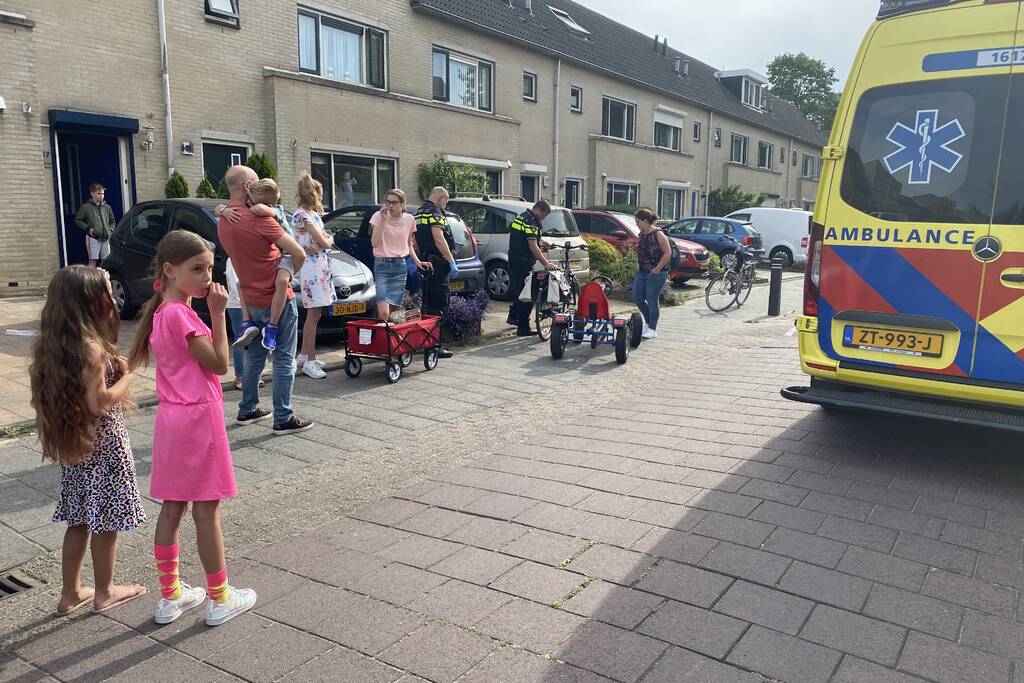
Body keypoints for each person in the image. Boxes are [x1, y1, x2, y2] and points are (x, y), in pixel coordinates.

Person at [127, 230, 257, 626]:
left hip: (171, 418)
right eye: (197, 269)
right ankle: (220, 598)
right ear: (170, 270)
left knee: (172, 507)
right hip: (199, 416)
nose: (206, 277)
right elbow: (219, 364)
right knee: (206, 511)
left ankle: (171, 595)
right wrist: (219, 313)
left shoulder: (161, 312)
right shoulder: (183, 314)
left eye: (210, 269)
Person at [28, 266, 147, 616]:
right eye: (105, 293)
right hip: (104, 445)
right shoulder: (92, 348)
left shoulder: (56, 344)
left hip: (78, 444)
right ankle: (105, 591)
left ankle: (70, 593)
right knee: (107, 520)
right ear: (92, 301)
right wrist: (126, 374)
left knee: (79, 518)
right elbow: (100, 403)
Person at [217, 164, 311, 434]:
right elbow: (299, 253)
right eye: (256, 184)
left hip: (251, 298)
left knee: (255, 354)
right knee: (283, 356)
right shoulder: (260, 219)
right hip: (277, 297)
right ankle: (283, 417)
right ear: (247, 187)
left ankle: (247, 409)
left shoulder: (225, 220)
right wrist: (286, 272)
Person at [219, 179, 295, 352]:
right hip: (281, 253)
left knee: (281, 282)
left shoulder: (271, 210)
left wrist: (254, 205)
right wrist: (223, 210)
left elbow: (259, 209)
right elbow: (219, 208)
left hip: (287, 253)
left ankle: (272, 326)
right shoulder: (248, 207)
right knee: (240, 285)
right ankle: (247, 323)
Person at [292, 173, 337, 379]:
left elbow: (328, 238)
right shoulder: (302, 215)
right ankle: (309, 360)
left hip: (320, 266)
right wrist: (322, 242)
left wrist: (320, 243)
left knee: (316, 313)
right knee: (313, 314)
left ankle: (304, 355)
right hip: (311, 270)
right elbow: (326, 240)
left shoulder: (314, 215)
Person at [414, 186, 458, 358]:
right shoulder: (435, 213)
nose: (445, 204)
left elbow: (415, 240)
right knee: (439, 304)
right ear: (440, 197)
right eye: (445, 200)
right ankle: (436, 345)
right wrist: (451, 261)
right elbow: (439, 238)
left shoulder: (418, 212)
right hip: (438, 264)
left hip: (425, 262)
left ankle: (426, 341)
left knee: (427, 304)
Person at [370, 188, 427, 322]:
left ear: (402, 204)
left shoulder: (409, 219)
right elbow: (374, 243)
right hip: (382, 265)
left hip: (400, 266)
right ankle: (383, 340)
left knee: (394, 314)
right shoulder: (378, 216)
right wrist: (383, 221)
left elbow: (409, 244)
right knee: (383, 314)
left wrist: (418, 262)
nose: (390, 206)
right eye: (388, 202)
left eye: (394, 203)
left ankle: (390, 341)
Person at [507, 200, 557, 337]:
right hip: (523, 262)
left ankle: (513, 317)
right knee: (528, 295)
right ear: (539, 210)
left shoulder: (522, 217)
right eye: (544, 215)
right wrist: (546, 263)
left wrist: (542, 243)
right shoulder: (531, 222)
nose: (543, 218)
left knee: (520, 292)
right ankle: (523, 328)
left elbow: (526, 239)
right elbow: (532, 246)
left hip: (515, 259)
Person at [225, 258, 265, 392]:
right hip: (237, 306)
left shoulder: (249, 254)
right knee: (240, 340)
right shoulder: (232, 259)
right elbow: (235, 284)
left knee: (255, 340)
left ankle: (254, 375)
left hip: (254, 302)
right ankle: (240, 377)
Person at [633, 208, 672, 339]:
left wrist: (657, 269)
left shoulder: (658, 234)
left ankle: (652, 328)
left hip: (657, 273)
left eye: (638, 221)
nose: (636, 224)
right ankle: (649, 322)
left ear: (645, 221)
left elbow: (668, 253)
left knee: (652, 300)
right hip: (642, 271)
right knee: (638, 297)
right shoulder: (642, 233)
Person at [74, 183, 117, 267]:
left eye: (103, 194)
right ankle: (91, 279)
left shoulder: (107, 207)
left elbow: (113, 221)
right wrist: (88, 228)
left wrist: (110, 230)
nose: (101, 196)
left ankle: (104, 279)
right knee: (93, 261)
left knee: (106, 261)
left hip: (105, 239)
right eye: (99, 193)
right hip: (93, 238)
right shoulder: (86, 207)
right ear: (92, 193)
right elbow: (78, 220)